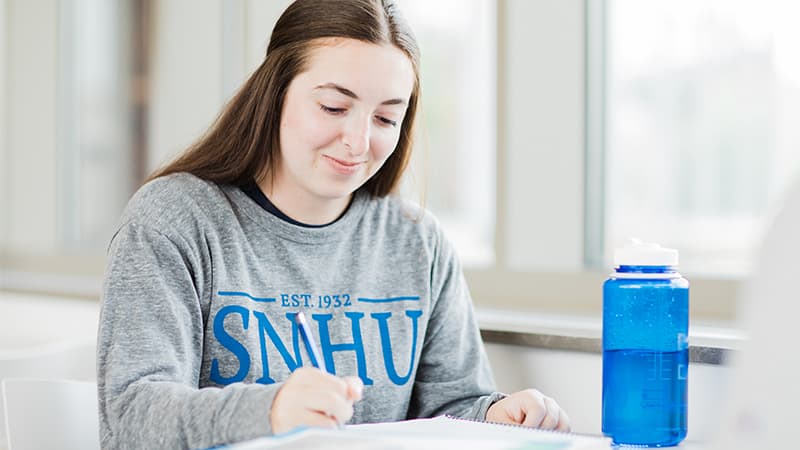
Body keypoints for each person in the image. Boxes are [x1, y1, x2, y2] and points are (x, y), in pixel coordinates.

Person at [96, 0, 570, 448]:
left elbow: (451, 407)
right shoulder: (175, 221)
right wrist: (271, 410)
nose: (359, 142)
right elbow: (133, 419)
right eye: (334, 108)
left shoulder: (417, 243)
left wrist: (495, 418)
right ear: (274, 94)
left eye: (386, 118)